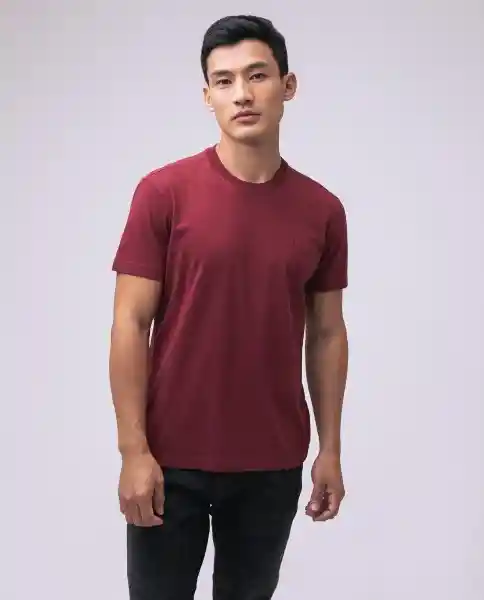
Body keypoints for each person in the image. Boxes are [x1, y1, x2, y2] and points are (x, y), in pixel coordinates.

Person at [109, 14, 349, 600]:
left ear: (288, 86)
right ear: (207, 96)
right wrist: (133, 450)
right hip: (170, 461)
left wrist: (331, 449)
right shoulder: (163, 193)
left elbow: (326, 333)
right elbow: (130, 324)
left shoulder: (322, 210)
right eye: (224, 80)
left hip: (271, 463)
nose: (241, 94)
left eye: (257, 75)